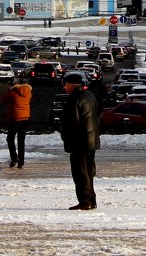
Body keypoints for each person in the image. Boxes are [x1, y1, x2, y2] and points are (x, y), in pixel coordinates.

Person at [58, 71, 99, 210]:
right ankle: (91, 199)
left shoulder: (74, 98)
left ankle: (85, 200)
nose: (64, 88)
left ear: (71, 85)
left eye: (66, 85)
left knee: (80, 172)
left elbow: (72, 122)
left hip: (79, 141)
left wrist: (65, 136)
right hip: (90, 140)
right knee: (88, 171)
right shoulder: (89, 95)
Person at [0, 76, 32, 169]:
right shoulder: (28, 92)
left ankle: (14, 157)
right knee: (21, 141)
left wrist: (10, 89)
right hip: (25, 119)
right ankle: (21, 162)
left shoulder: (12, 93)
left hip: (14, 119)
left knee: (10, 139)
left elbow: (3, 99)